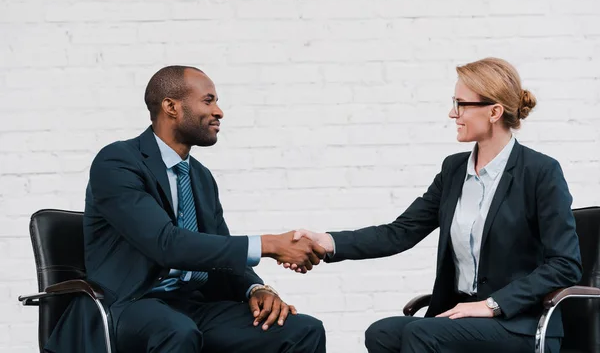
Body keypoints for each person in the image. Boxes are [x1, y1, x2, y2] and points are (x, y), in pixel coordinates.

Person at [289, 58, 582, 353]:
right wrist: (327, 242)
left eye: (461, 104)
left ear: (494, 112)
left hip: (519, 323)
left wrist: (493, 305)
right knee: (382, 333)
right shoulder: (454, 171)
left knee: (422, 335)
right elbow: (400, 232)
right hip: (460, 315)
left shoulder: (540, 172)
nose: (452, 113)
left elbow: (565, 264)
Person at [45, 65, 327, 353]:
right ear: (171, 106)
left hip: (190, 306)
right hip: (127, 306)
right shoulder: (118, 162)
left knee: (302, 330)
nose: (219, 112)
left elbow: (219, 249)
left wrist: (256, 289)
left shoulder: (201, 177)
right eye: (208, 100)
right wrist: (268, 244)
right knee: (177, 332)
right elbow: (166, 244)